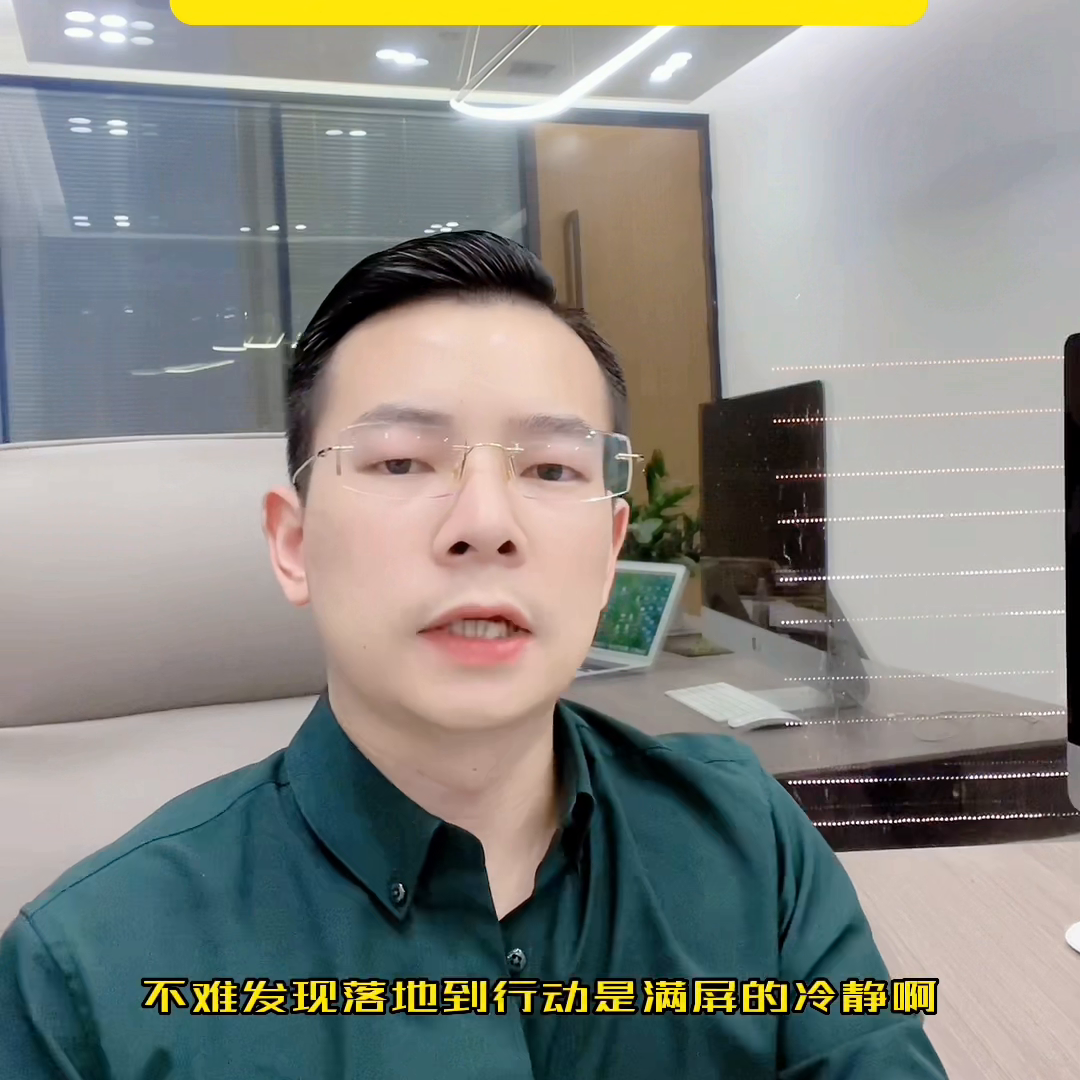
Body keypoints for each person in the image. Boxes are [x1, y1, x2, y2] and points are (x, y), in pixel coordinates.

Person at [0, 231, 948, 1079]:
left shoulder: (747, 841)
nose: (485, 523)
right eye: (401, 461)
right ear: (294, 545)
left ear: (610, 552)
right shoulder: (85, 973)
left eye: (551, 469)